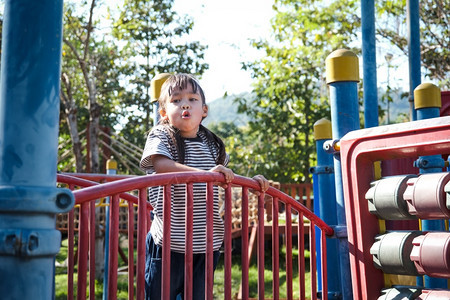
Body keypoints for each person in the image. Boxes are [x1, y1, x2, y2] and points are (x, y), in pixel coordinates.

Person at [140, 73, 269, 299]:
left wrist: (252, 185)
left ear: (204, 110)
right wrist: (205, 175)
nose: (185, 105)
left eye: (192, 99)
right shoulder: (161, 135)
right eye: (176, 100)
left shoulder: (212, 143)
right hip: (169, 240)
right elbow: (161, 165)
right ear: (164, 113)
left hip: (205, 241)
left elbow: (223, 177)